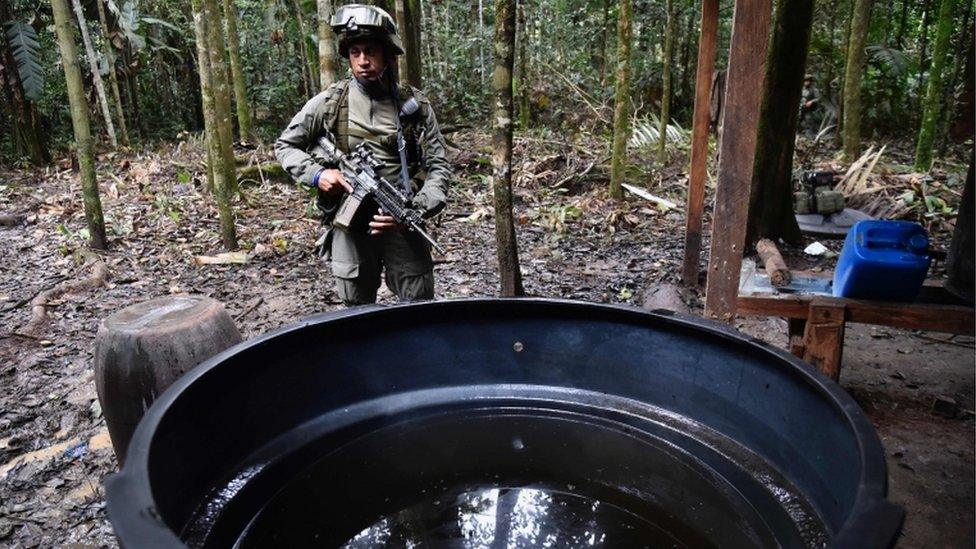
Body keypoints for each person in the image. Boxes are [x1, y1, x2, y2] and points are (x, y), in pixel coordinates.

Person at [275, 4, 452, 306]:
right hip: (350, 222)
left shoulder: (416, 106)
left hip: (400, 221)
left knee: (418, 306)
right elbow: (285, 146)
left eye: (370, 51)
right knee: (356, 310)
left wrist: (416, 210)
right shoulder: (331, 102)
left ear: (387, 55)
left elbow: (439, 167)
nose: (363, 61)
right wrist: (319, 175)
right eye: (355, 53)